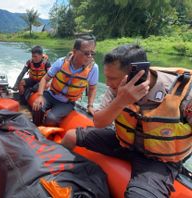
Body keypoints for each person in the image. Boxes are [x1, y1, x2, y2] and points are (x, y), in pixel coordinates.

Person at [61, 44, 192, 197]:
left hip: (158, 160)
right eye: (107, 77)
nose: (108, 83)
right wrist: (121, 100)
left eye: (112, 78)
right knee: (71, 136)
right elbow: (99, 123)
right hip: (123, 143)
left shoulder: (184, 93)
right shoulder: (115, 89)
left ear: (136, 75)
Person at [32, 35, 99, 126]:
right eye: (86, 53)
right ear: (74, 52)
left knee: (51, 118)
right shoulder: (61, 62)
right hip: (50, 95)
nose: (90, 56)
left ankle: (46, 133)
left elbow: (92, 88)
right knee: (37, 107)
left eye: (92, 53)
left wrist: (90, 106)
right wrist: (40, 95)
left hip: (67, 102)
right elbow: (45, 79)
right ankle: (36, 127)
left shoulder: (93, 68)